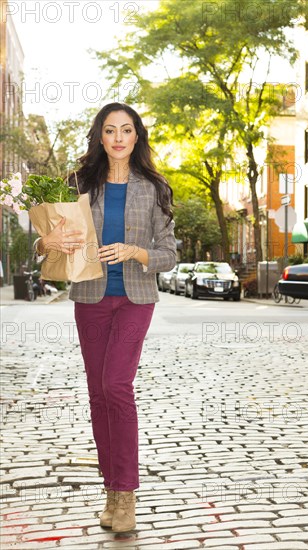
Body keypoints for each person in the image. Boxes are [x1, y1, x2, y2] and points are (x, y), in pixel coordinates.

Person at [33, 102, 177, 532]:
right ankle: (111, 491)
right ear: (100, 136)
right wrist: (49, 240)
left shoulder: (154, 187)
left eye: (126, 130)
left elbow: (170, 254)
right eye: (110, 130)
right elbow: (40, 246)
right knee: (98, 393)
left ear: (137, 137)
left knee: (117, 385)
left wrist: (137, 252)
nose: (118, 137)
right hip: (90, 297)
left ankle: (127, 495)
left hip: (136, 297)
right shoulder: (78, 183)